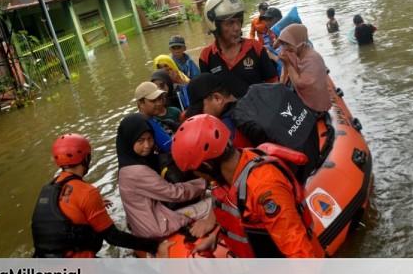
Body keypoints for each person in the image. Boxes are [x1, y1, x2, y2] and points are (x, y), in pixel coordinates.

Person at [171, 115, 325, 258]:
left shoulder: (264, 187)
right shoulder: (232, 173)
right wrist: (215, 236)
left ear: (207, 165)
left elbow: (299, 252)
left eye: (197, 172)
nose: (200, 177)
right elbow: (242, 218)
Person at [31, 133, 172, 258]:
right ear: (87, 158)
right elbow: (113, 237)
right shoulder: (87, 192)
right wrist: (154, 246)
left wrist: (90, 208)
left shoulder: (48, 188)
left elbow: (61, 215)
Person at [116, 114, 217, 239]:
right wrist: (204, 183)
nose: (147, 145)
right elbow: (174, 194)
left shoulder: (127, 163)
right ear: (129, 141)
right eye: (140, 141)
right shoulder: (137, 172)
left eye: (150, 139)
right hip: (156, 226)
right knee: (214, 202)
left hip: (144, 220)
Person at [199, 0, 278, 98]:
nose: (237, 28)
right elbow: (209, 97)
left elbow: (273, 83)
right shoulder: (206, 56)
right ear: (215, 26)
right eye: (230, 23)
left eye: (239, 21)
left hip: (260, 110)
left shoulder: (255, 47)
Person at [185, 73, 252, 148]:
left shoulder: (225, 128)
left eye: (200, 109)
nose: (199, 115)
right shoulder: (250, 105)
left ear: (217, 98)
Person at [276, 24, 332, 112]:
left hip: (316, 106)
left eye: (288, 44)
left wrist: (288, 65)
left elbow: (300, 84)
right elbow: (284, 73)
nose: (285, 48)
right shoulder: (297, 53)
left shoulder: (312, 59)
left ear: (298, 42)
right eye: (284, 44)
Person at [133, 81, 174, 153]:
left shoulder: (152, 119)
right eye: (153, 100)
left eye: (159, 98)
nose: (159, 103)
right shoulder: (142, 126)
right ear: (141, 103)